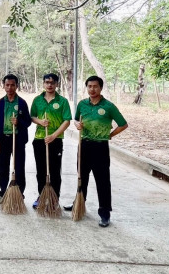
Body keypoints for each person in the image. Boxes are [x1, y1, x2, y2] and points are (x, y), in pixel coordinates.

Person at [63, 76, 128, 227]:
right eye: (89, 86)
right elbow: (76, 120)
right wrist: (77, 124)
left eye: (95, 86)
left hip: (100, 147)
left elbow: (123, 124)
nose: (92, 89)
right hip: (84, 145)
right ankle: (79, 204)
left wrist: (109, 135)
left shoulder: (108, 106)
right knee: (81, 177)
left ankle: (105, 213)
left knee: (103, 181)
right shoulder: (82, 104)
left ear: (101, 88)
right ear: (86, 88)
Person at [30, 73, 71, 209]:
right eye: (47, 82)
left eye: (52, 83)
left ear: (56, 84)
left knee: (54, 171)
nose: (49, 85)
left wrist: (54, 135)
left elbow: (67, 121)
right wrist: (40, 121)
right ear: (43, 83)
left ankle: (54, 199)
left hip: (56, 140)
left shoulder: (62, 101)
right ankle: (42, 196)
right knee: (41, 171)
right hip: (39, 139)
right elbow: (32, 116)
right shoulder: (37, 100)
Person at [0, 74, 32, 204]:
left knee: (19, 167)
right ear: (3, 86)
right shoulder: (0, 103)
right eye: (7, 85)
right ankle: (3, 193)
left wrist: (18, 122)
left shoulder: (21, 102)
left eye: (12, 85)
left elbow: (28, 121)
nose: (10, 87)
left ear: (16, 86)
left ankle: (19, 194)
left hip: (18, 140)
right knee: (3, 168)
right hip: (4, 139)